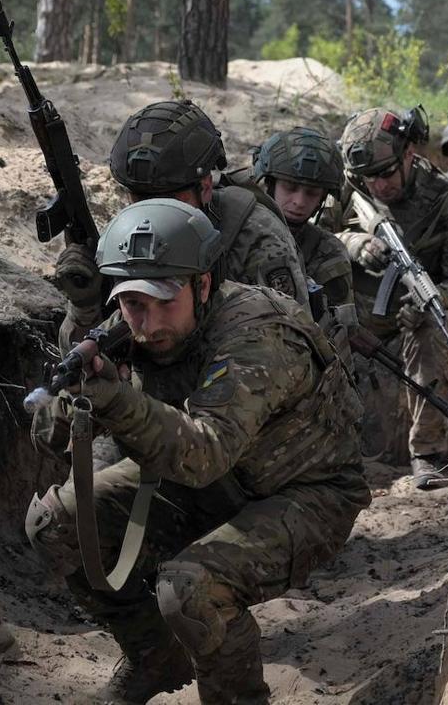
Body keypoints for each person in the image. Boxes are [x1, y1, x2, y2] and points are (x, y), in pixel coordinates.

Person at [25, 198, 370, 704]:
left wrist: (119, 401)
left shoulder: (257, 333)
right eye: (134, 304)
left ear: (202, 284)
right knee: (55, 523)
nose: (151, 322)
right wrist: (80, 399)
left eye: (166, 301)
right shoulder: (122, 332)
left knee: (189, 589)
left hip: (306, 493)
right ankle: (155, 658)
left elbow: (207, 450)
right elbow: (48, 437)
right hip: (206, 483)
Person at [55, 99, 309, 347]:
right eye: (141, 199)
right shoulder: (126, 238)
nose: (154, 212)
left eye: (169, 198)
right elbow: (82, 356)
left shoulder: (255, 237)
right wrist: (84, 306)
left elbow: (294, 341)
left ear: (206, 188)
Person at [334, 106, 448, 486]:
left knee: (441, 325)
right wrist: (353, 242)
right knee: (378, 448)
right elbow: (307, 241)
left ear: (409, 155)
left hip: (409, 335)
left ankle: (429, 450)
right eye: (368, 178)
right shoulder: (348, 188)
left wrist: (430, 299)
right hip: (353, 331)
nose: (379, 187)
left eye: (385, 174)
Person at [251, 127, 353, 308]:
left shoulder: (329, 253)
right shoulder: (238, 229)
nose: (299, 201)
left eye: (312, 193)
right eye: (290, 187)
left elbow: (335, 329)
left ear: (322, 198)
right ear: (270, 184)